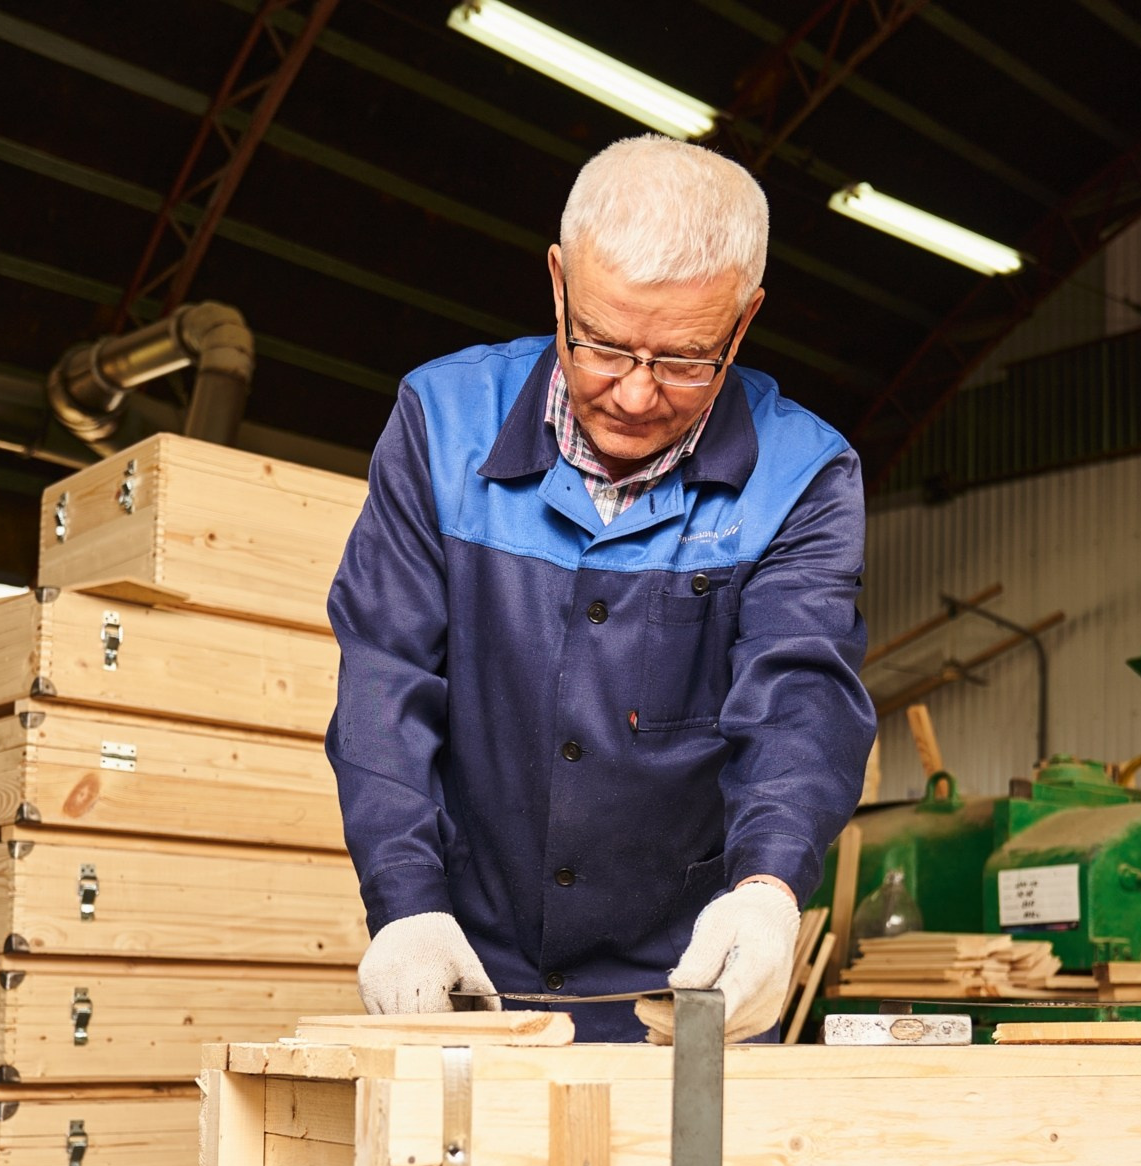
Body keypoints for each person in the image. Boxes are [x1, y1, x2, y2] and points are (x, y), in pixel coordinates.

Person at [325, 135, 874, 1042]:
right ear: (558, 281)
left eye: (687, 358)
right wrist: (406, 901)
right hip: (468, 973)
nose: (633, 392)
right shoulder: (440, 424)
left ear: (744, 321)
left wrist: (769, 892)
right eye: (604, 345)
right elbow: (385, 672)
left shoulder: (804, 476)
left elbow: (799, 701)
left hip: (689, 985)